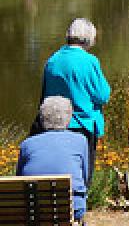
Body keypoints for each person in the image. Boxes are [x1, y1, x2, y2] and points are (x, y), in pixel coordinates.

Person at [41, 17, 110, 187]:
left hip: (54, 125)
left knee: (59, 171)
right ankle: (80, 203)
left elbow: (44, 94)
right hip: (83, 124)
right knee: (83, 172)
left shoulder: (53, 60)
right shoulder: (89, 61)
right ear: (88, 38)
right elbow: (103, 95)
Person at [18, 96, 89, 222]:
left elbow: (19, 179)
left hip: (34, 212)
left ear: (42, 118)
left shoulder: (27, 144)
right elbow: (84, 177)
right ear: (68, 117)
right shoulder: (80, 141)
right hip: (70, 210)